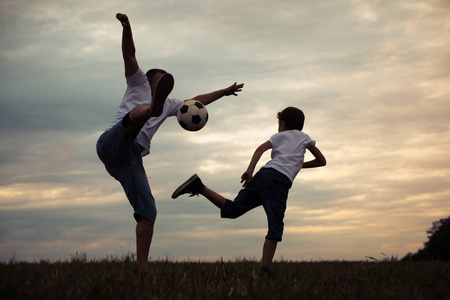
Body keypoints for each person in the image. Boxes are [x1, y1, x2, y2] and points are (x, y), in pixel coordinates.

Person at [96, 13, 244, 274]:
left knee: (148, 211)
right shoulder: (137, 82)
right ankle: (148, 111)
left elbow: (196, 102)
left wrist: (223, 92)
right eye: (162, 80)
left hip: (131, 158)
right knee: (134, 119)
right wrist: (127, 28)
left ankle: (142, 271)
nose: (165, 84)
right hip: (113, 141)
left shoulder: (172, 104)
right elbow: (129, 55)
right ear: (152, 79)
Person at [172, 106, 326, 277]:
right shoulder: (305, 138)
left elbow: (260, 149)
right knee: (275, 229)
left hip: (262, 175)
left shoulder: (278, 136)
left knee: (232, 210)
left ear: (282, 124)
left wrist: (250, 171)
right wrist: (298, 164)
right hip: (278, 183)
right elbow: (322, 161)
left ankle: (198, 186)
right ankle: (265, 271)